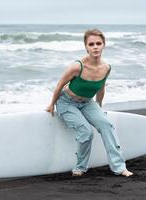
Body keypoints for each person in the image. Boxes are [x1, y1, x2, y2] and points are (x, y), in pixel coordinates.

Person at [46, 29, 133, 177]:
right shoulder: (77, 66)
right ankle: (80, 167)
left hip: (87, 103)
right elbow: (60, 84)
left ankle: (119, 167)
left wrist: (99, 107)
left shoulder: (106, 68)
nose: (95, 47)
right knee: (86, 132)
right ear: (86, 47)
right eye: (91, 44)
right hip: (67, 102)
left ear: (104, 45)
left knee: (106, 125)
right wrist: (51, 105)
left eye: (98, 43)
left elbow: (101, 87)